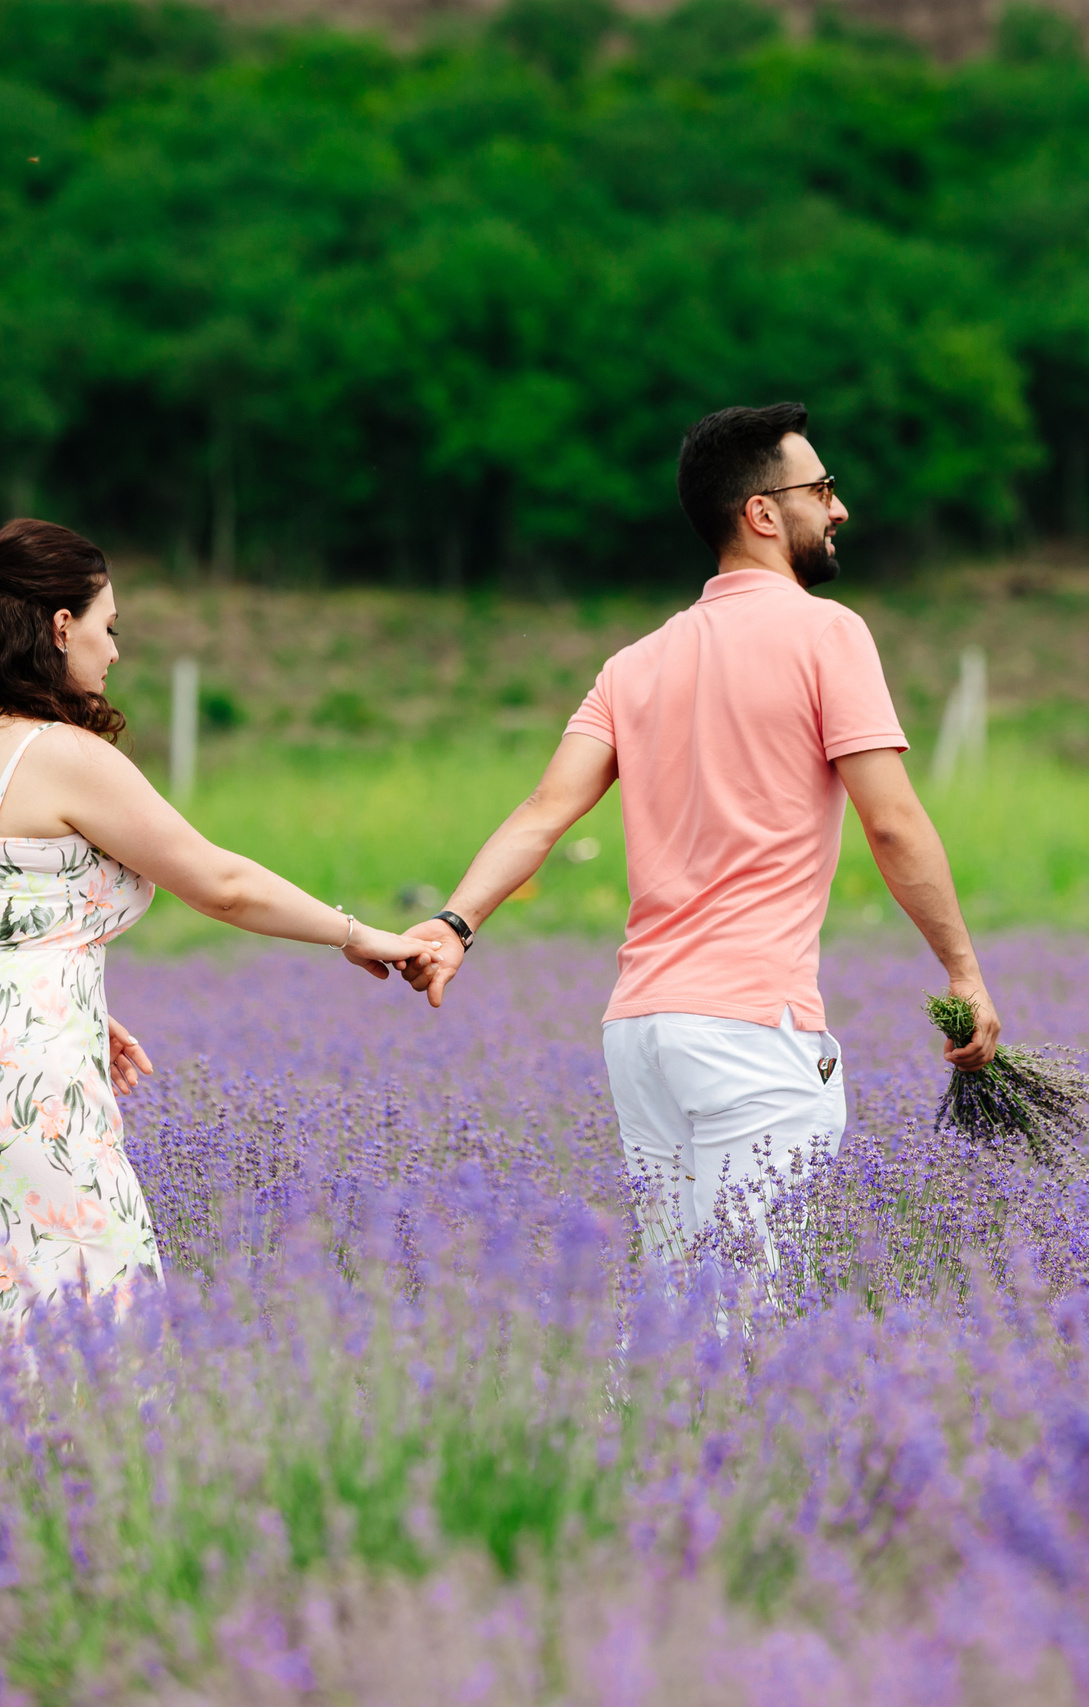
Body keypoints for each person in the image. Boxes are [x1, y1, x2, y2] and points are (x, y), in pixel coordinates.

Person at [392, 403, 1000, 1264]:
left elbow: (542, 812)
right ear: (761, 513)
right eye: (823, 489)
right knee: (751, 1328)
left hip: (642, 1032)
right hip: (752, 1034)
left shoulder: (633, 663)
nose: (839, 509)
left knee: (679, 1313)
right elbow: (894, 825)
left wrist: (455, 924)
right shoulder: (830, 634)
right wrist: (964, 971)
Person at [0, 518, 443, 1372]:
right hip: (32, 1092)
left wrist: (69, 1009)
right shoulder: (60, 755)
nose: (114, 652)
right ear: (60, 626)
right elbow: (220, 882)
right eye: (109, 628)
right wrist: (357, 933)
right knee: (96, 1316)